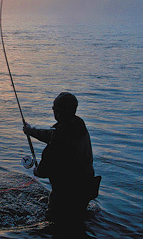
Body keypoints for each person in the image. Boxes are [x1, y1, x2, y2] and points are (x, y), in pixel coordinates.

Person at [23, 92, 99, 223]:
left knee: (56, 224)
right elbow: (52, 134)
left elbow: (43, 170)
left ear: (59, 111)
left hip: (67, 193)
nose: (52, 110)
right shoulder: (78, 124)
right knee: (77, 222)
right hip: (86, 187)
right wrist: (31, 131)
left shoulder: (60, 138)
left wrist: (35, 170)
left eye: (54, 107)